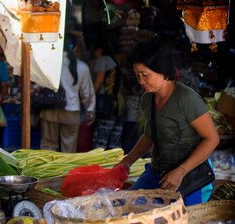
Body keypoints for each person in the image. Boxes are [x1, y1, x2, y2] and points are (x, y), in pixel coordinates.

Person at [118, 41, 220, 206]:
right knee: (125, 208)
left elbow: (212, 139)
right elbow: (150, 135)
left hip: (191, 178)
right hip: (157, 174)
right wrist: (127, 161)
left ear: (163, 70)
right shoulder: (148, 99)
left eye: (145, 74)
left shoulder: (186, 99)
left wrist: (181, 171)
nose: (141, 81)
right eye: (137, 75)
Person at [39, 32, 96, 152]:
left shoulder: (47, 63)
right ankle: (66, 171)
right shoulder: (82, 67)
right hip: (71, 112)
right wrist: (90, 111)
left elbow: (38, 86)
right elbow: (87, 93)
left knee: (48, 148)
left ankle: (47, 170)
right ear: (75, 47)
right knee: (68, 150)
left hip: (49, 110)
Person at [91, 40, 123, 149]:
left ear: (99, 51)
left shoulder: (102, 59)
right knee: (115, 143)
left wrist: (90, 96)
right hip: (119, 105)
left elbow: (99, 81)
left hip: (106, 105)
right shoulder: (114, 62)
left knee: (101, 141)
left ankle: (99, 165)